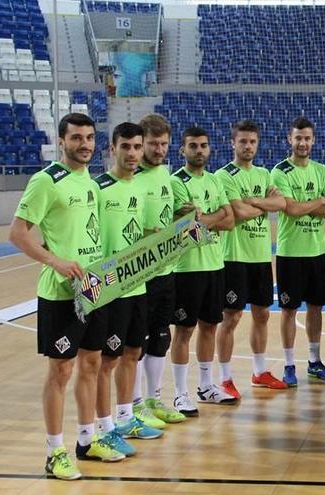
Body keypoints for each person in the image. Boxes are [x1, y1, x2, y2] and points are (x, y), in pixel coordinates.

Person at [9, 113, 120, 479]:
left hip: (93, 289)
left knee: (91, 364)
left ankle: (87, 441)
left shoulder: (91, 181)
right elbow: (18, 234)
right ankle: (54, 451)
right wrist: (54, 260)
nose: (84, 144)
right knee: (61, 370)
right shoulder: (46, 182)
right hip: (60, 294)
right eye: (76, 138)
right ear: (62, 141)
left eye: (89, 137)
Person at [92, 123, 163, 461]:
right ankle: (104, 429)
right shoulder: (99, 188)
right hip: (110, 289)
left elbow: (142, 233)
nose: (133, 154)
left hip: (138, 285)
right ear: (112, 148)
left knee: (133, 352)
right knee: (107, 361)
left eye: (137, 147)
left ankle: (125, 418)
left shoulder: (139, 186)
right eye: (127, 147)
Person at [215, 119, 288, 397]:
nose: (248, 146)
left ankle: (259, 372)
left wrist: (252, 202)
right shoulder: (224, 176)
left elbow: (280, 204)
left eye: (252, 142)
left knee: (262, 314)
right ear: (232, 143)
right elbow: (237, 213)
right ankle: (224, 378)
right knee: (230, 317)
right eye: (243, 141)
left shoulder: (264, 174)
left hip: (260, 257)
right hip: (234, 258)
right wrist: (261, 205)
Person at [169, 127, 236, 416]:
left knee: (210, 325)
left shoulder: (214, 179)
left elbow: (230, 220)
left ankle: (206, 386)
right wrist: (215, 217)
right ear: (182, 150)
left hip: (215, 264)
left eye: (204, 145)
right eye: (193, 146)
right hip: (187, 268)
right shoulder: (176, 182)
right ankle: (180, 394)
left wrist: (208, 218)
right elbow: (189, 228)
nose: (199, 150)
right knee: (184, 330)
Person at [271, 117, 325, 384]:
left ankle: (314, 361)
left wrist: (307, 204)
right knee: (289, 310)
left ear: (313, 140)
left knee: (316, 308)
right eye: (298, 138)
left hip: (317, 252)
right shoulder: (279, 172)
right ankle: (289, 365)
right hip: (290, 253)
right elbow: (291, 209)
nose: (302, 143)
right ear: (290, 139)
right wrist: (318, 201)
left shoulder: (322, 171)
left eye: (307, 138)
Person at [131, 113, 186, 427]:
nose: (159, 149)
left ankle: (154, 398)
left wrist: (182, 214)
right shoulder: (132, 177)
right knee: (136, 342)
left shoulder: (165, 173)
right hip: (139, 277)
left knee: (161, 338)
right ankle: (135, 405)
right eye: (153, 143)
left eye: (164, 143)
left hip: (166, 270)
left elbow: (164, 218)